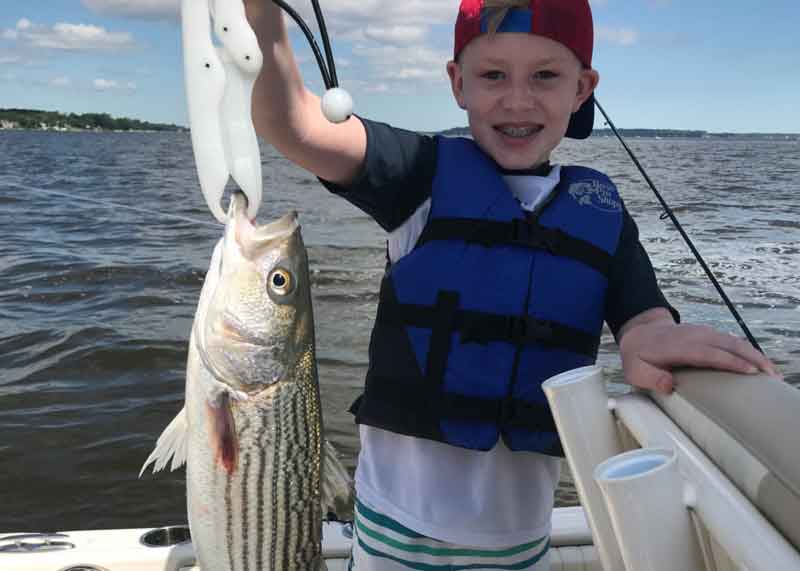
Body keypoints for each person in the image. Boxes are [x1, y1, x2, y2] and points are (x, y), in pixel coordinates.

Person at [244, 0, 779, 568]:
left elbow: (642, 319)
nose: (518, 100)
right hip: (393, 532)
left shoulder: (601, 213)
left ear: (583, 88)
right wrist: (263, 17)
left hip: (521, 543)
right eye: (493, 74)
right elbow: (293, 124)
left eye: (545, 76)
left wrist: (652, 341)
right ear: (457, 83)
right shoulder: (415, 173)